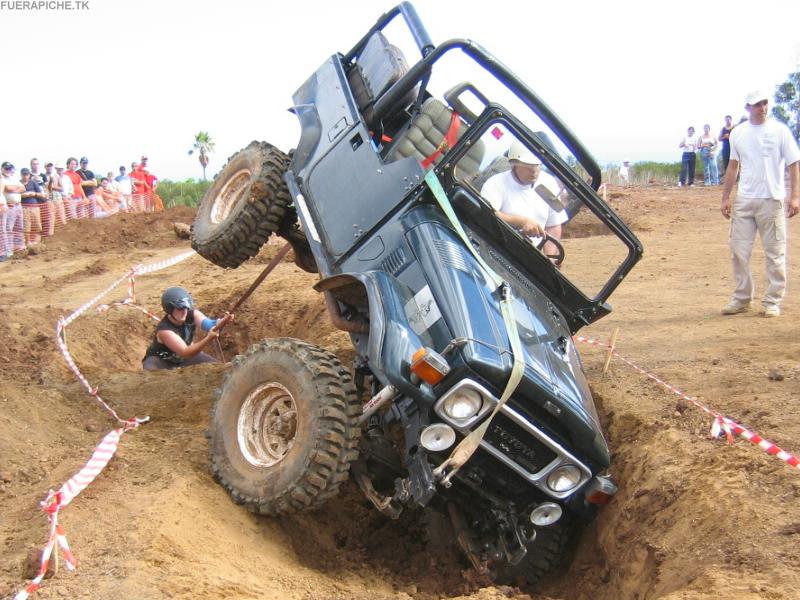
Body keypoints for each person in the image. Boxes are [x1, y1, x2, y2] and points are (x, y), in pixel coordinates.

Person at [720, 90, 800, 318]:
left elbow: (794, 163)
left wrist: (795, 196)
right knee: (738, 251)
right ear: (747, 107)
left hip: (771, 200)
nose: (762, 108)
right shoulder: (738, 133)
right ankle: (742, 298)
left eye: (765, 103)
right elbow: (733, 166)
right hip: (745, 199)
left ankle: (773, 300)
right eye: (757, 104)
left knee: (775, 253)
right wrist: (726, 197)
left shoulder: (780, 131)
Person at [480, 141, 567, 258]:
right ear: (514, 164)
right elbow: (486, 213)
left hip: (530, 256)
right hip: (496, 251)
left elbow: (553, 225)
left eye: (537, 165)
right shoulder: (496, 183)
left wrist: (550, 260)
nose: (535, 171)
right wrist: (521, 222)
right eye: (529, 166)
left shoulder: (548, 183)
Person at [142, 287, 235, 371]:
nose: (184, 312)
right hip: (161, 362)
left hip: (182, 359)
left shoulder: (192, 314)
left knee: (217, 368)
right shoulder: (165, 331)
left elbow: (209, 325)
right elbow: (186, 352)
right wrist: (208, 338)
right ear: (169, 309)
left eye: (186, 308)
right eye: (180, 309)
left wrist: (222, 321)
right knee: (154, 378)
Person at [1, 162, 26, 254]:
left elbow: (23, 188)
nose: (8, 170)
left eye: (9, 168)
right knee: (9, 229)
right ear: (2, 169)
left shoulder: (13, 178)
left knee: (19, 227)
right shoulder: (2, 179)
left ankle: (20, 248)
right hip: (10, 206)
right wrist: (16, 188)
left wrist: (14, 188)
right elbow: (7, 188)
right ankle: (9, 250)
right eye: (6, 168)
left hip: (18, 205)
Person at [20, 167, 46, 246]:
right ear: (21, 175)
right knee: (26, 226)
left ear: (29, 175)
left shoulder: (33, 182)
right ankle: (28, 243)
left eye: (27, 174)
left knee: (37, 224)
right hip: (24, 207)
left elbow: (41, 194)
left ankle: (37, 243)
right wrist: (23, 195)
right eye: (24, 174)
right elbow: (15, 195)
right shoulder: (18, 183)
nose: (25, 176)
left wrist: (33, 194)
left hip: (34, 206)